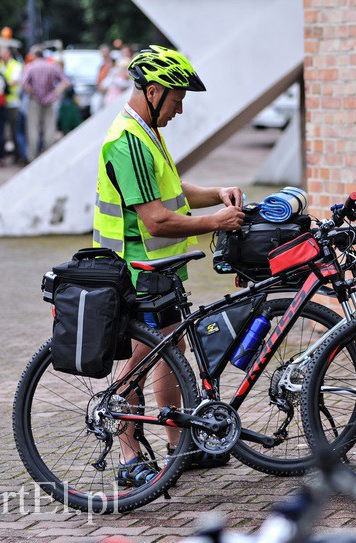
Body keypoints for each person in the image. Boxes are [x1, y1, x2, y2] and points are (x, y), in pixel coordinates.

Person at [92, 45, 244, 486]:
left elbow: (173, 193)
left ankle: (181, 447)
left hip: (159, 270)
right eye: (177, 99)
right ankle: (128, 455)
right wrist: (217, 221)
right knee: (143, 357)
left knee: (171, 352)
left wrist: (215, 193)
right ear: (155, 91)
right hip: (134, 270)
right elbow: (156, 219)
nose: (179, 109)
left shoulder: (147, 133)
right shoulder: (127, 142)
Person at [21, 47, 70, 161]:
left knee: (33, 130)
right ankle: (49, 157)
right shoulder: (52, 66)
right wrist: (55, 94)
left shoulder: (31, 67)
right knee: (50, 130)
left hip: (35, 101)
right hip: (49, 101)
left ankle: (32, 158)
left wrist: (32, 93)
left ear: (34, 55)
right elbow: (65, 82)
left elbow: (24, 83)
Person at [0, 46, 26, 164]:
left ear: (8, 53)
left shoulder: (16, 65)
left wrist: (1, 84)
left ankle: (18, 155)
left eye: (1, 51)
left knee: (15, 131)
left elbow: (13, 81)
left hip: (13, 103)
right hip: (0, 103)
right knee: (3, 131)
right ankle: (4, 155)